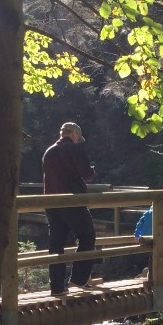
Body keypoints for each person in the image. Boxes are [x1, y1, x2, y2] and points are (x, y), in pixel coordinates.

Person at [41, 121, 100, 298]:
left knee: (56, 245)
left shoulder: (49, 151)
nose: (78, 140)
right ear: (74, 134)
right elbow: (87, 174)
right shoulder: (74, 149)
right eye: (78, 137)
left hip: (51, 203)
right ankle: (79, 279)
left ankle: (57, 287)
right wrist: (92, 169)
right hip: (72, 201)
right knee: (87, 236)